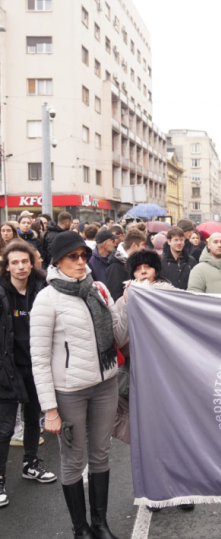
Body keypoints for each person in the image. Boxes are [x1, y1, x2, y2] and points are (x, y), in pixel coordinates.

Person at [30, 231, 127, 538]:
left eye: (84, 256)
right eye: (73, 256)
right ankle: (80, 528)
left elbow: (118, 337)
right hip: (69, 391)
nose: (81, 262)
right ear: (57, 260)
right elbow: (40, 359)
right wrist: (50, 410)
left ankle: (100, 524)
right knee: (73, 460)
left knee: (100, 454)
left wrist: (127, 301)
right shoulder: (46, 299)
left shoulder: (97, 289)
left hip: (105, 383)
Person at [0, 242, 56, 509]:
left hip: (36, 366)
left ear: (33, 262)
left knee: (34, 418)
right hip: (7, 369)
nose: (21, 267)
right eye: (15, 262)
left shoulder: (43, 289)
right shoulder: (1, 292)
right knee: (5, 428)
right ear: (7, 265)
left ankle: (31, 464)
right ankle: (0, 480)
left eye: (25, 261)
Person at [105, 229, 146, 301]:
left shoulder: (133, 262)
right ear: (134, 245)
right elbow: (115, 295)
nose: (143, 247)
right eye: (142, 244)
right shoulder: (115, 266)